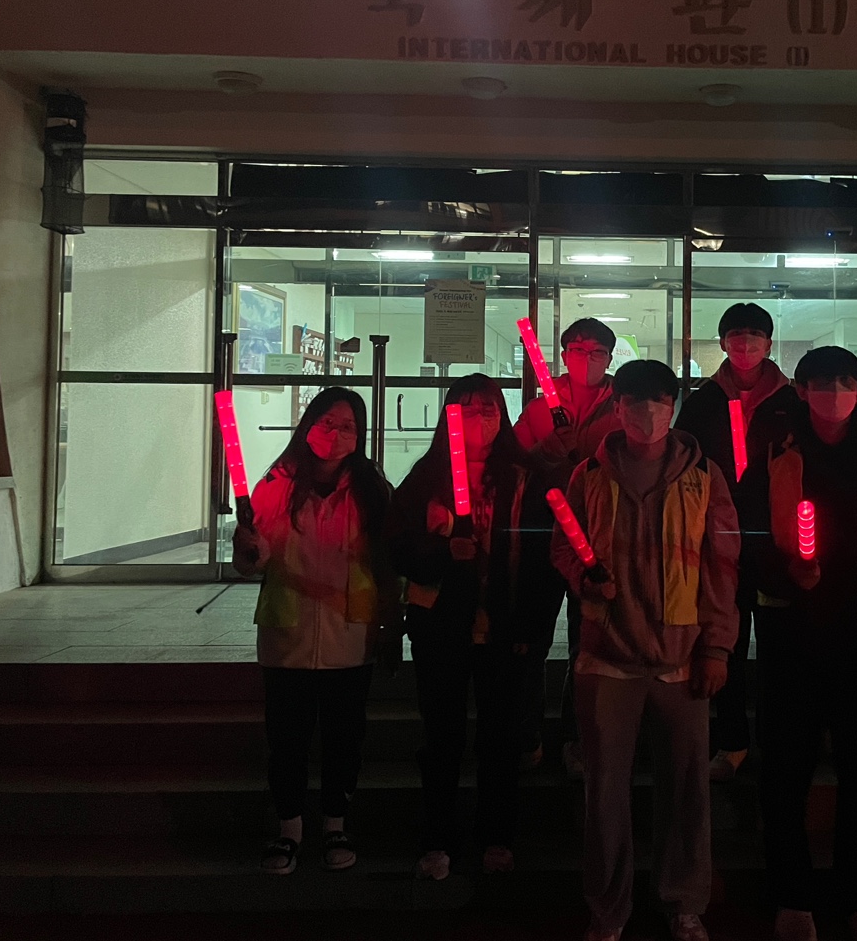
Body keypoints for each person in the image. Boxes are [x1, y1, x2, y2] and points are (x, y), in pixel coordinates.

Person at [550, 360, 740, 941]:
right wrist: (584, 581)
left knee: (686, 789)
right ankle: (608, 909)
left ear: (674, 406)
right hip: (606, 654)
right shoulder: (588, 474)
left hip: (683, 656)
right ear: (617, 406)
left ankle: (683, 902)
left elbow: (722, 565)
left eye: (659, 400)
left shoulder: (704, 476)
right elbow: (564, 545)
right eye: (636, 400)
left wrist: (717, 648)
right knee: (604, 793)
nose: (648, 412)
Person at [746, 347, 857, 941]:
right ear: (800, 390)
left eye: (845, 381)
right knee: (784, 773)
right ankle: (791, 896)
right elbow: (747, 539)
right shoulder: (774, 456)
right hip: (791, 636)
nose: (834, 392)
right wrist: (784, 576)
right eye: (821, 382)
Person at [385, 375, 558, 882]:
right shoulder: (426, 477)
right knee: (441, 737)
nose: (479, 417)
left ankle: (497, 835)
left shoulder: (525, 478)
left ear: (503, 414)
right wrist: (442, 552)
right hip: (440, 627)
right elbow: (398, 547)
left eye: (489, 408)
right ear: (448, 416)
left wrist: (531, 625)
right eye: (466, 407)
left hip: (503, 626)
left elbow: (544, 559)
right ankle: (438, 838)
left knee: (500, 737)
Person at [231, 386, 398, 877]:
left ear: (360, 435)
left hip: (351, 634)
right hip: (288, 635)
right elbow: (253, 560)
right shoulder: (276, 485)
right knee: (287, 738)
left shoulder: (373, 490)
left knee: (345, 738)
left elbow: (388, 564)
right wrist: (249, 553)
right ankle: (289, 828)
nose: (335, 434)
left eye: (348, 426)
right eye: (327, 423)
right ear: (308, 425)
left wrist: (391, 621)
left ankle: (335, 824)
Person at [673, 302, 798, 782]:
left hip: (777, 540)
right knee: (724, 641)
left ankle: (777, 740)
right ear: (723, 342)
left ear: (769, 343)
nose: (746, 343)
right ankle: (732, 740)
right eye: (737, 334)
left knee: (779, 646)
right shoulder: (703, 401)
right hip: (718, 536)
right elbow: (684, 460)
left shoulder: (791, 401)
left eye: (755, 334)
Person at [514, 317, 623, 779]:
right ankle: (527, 735)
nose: (587, 359)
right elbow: (513, 463)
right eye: (578, 350)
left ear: (610, 358)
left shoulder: (623, 404)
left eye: (597, 352)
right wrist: (546, 453)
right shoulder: (541, 406)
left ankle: (579, 738)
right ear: (562, 355)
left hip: (598, 535)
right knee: (531, 637)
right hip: (544, 530)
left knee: (589, 641)